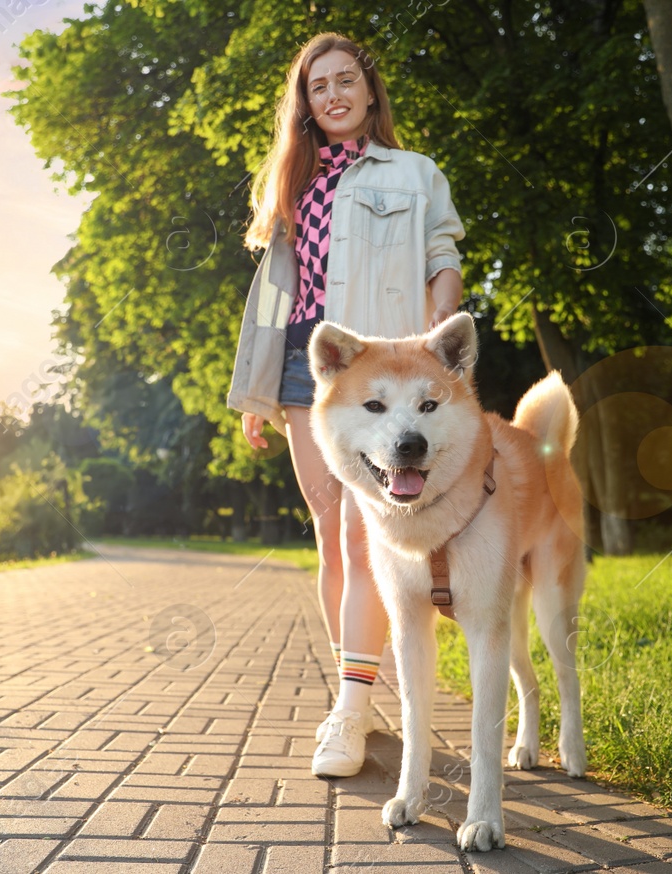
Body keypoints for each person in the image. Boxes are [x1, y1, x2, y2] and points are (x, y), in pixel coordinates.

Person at [226, 32, 466, 778]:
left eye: (343, 81)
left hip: (383, 377)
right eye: (316, 87)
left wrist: (434, 351)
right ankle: (354, 697)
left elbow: (444, 260)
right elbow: (275, 301)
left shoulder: (414, 172)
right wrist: (258, 394)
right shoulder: (290, 190)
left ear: (369, 90)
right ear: (304, 105)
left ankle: (354, 710)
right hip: (309, 376)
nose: (331, 95)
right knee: (333, 538)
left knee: (371, 541)